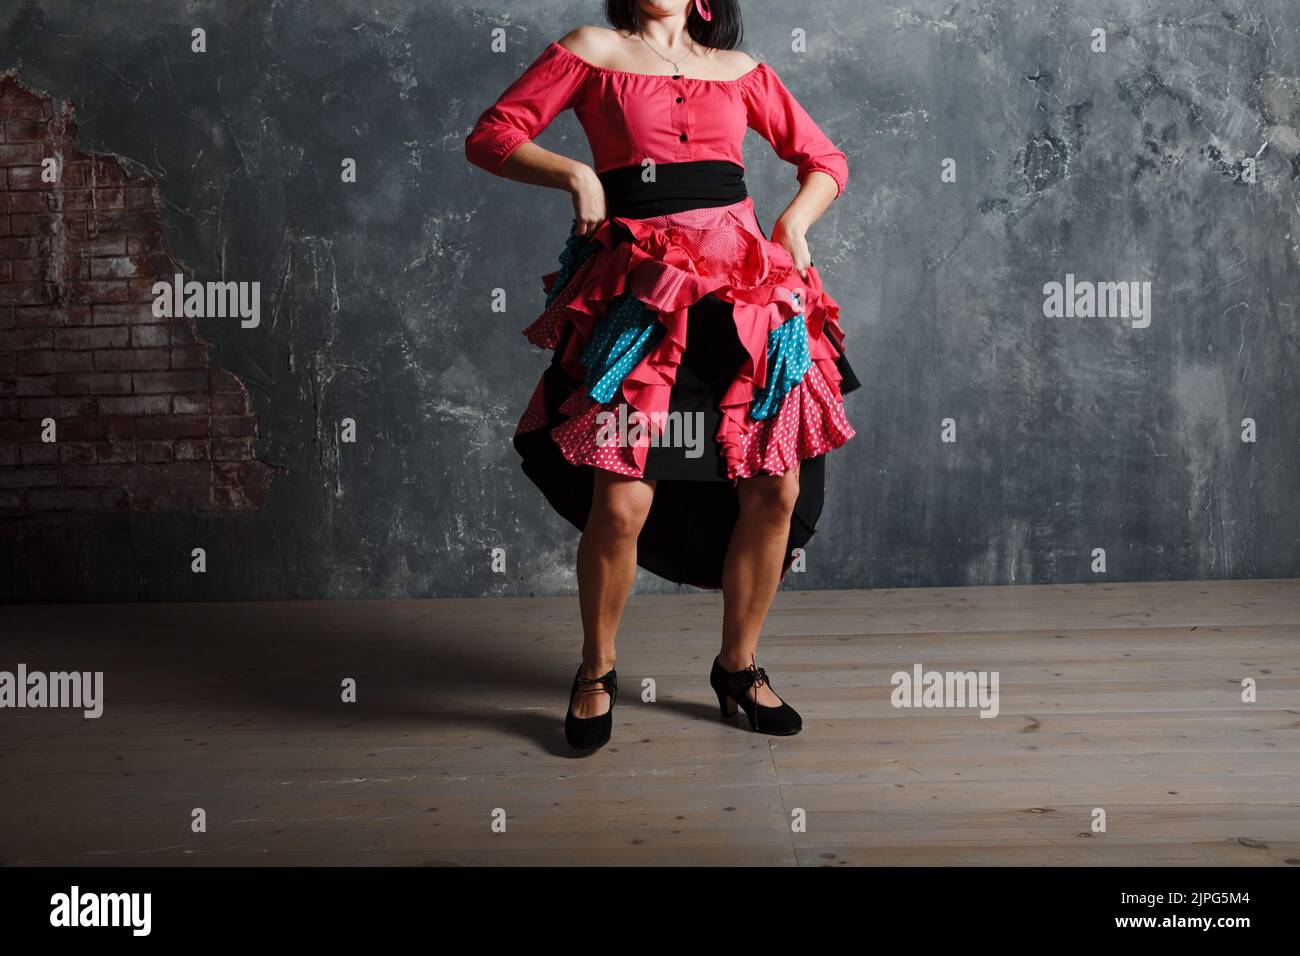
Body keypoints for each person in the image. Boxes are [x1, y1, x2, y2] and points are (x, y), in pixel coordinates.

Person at [465, 0, 859, 750]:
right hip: (647, 296)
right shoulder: (592, 50)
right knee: (620, 503)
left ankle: (738, 668)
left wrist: (794, 224)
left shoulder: (739, 71)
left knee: (775, 487)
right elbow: (491, 136)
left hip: (747, 296)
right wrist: (577, 175)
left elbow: (826, 162)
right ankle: (596, 671)